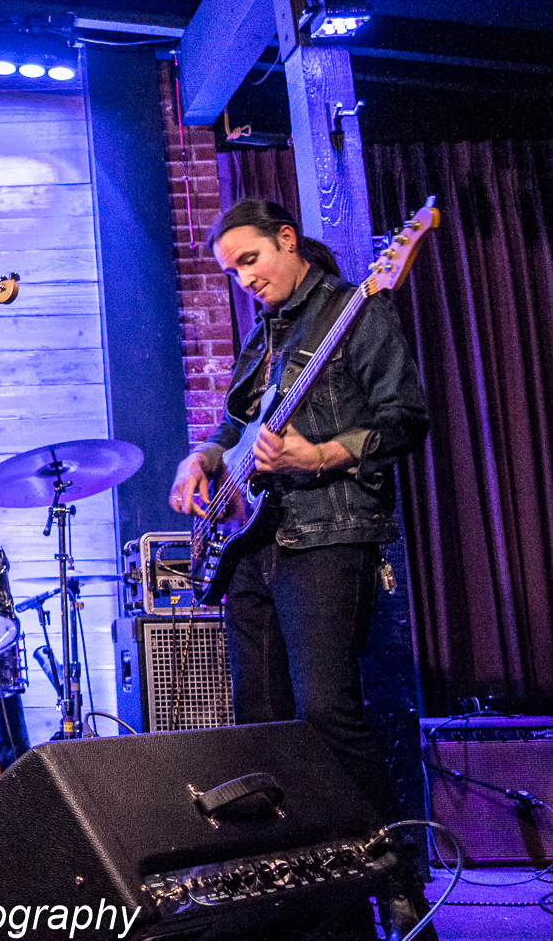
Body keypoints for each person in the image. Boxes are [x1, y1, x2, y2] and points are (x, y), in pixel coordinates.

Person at [170, 200, 431, 938]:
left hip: (328, 533)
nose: (244, 279)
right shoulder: (266, 334)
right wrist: (202, 458)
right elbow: (235, 424)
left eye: (250, 260)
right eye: (232, 271)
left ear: (288, 240)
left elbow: (405, 418)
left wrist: (315, 456)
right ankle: (298, 886)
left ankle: (393, 871)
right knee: (262, 723)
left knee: (325, 712)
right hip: (253, 545)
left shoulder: (357, 309)